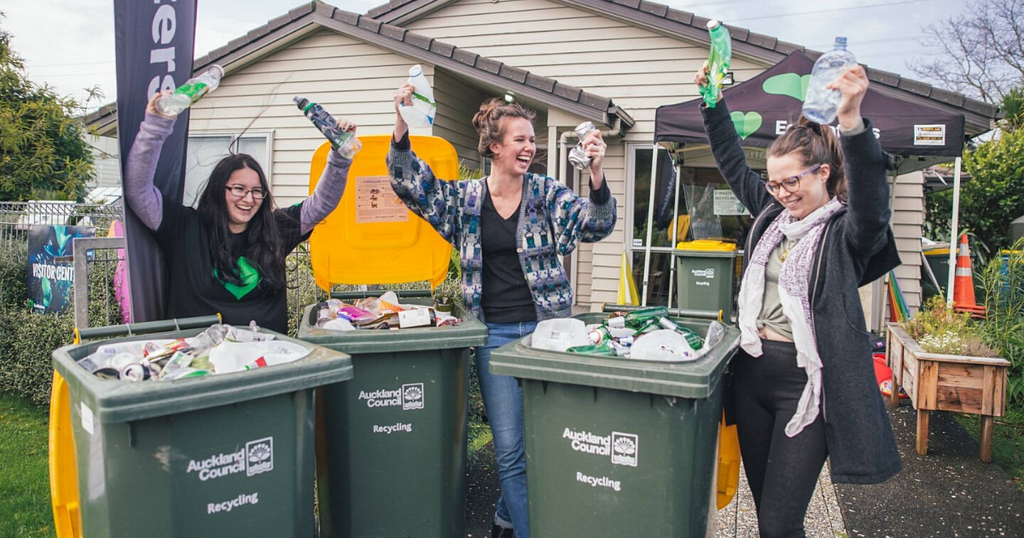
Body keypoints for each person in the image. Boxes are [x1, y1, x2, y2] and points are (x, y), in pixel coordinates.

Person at [387, 85, 617, 538]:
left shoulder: (547, 193)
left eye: (533, 140)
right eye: (521, 139)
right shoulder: (466, 200)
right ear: (495, 147)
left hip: (547, 335)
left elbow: (597, 223)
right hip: (493, 335)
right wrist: (401, 123)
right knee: (511, 449)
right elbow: (410, 184)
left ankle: (505, 519)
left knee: (547, 442)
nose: (530, 147)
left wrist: (597, 173)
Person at [695, 64, 901, 537]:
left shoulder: (845, 232)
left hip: (804, 387)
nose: (782, 193)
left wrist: (852, 122)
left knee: (778, 523)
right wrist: (712, 102)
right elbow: (729, 159)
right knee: (769, 511)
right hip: (750, 374)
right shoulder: (772, 217)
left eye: (793, 182)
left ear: (823, 173)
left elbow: (873, 205)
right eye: (774, 183)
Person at [124, 91, 355, 333]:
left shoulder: (275, 229)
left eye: (257, 191)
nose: (249, 199)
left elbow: (322, 204)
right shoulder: (185, 226)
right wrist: (156, 125)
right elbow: (138, 191)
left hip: (266, 357)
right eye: (238, 189)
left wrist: (340, 156)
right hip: (200, 359)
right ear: (218, 190)